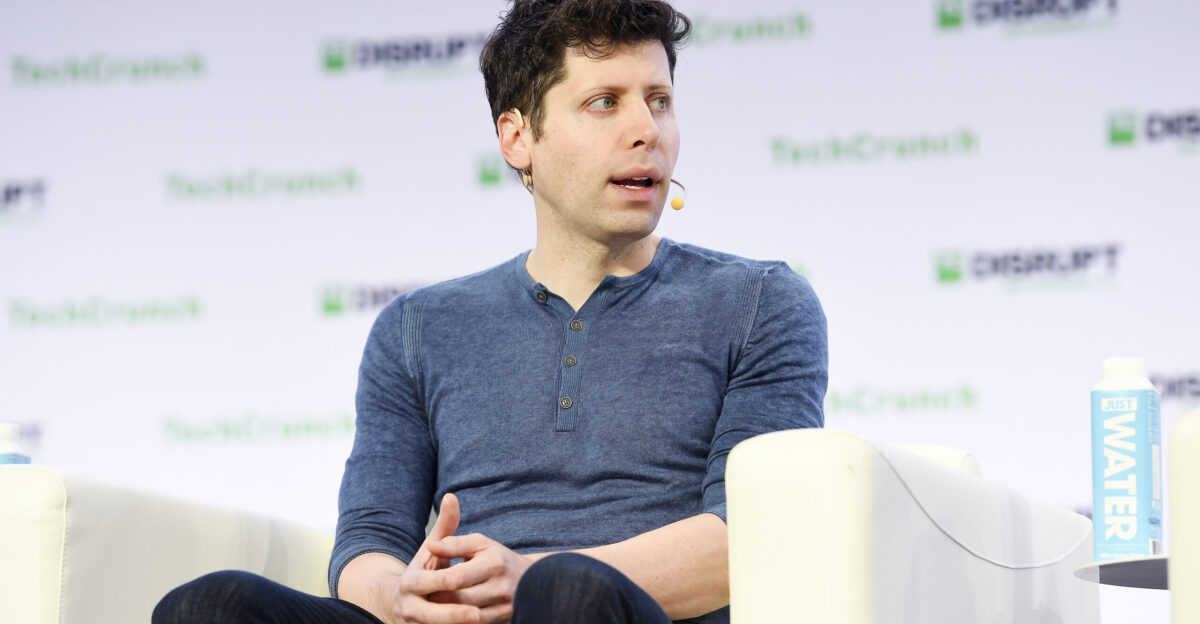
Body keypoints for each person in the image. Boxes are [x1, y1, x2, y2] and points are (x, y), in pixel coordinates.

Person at [153, 1, 826, 623]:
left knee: (566, 592)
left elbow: (752, 535)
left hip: (621, 611)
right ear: (517, 137)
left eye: (659, 101)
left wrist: (528, 576)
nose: (646, 131)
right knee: (208, 605)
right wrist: (408, 595)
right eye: (604, 103)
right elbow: (368, 543)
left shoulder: (759, 303)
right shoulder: (418, 328)